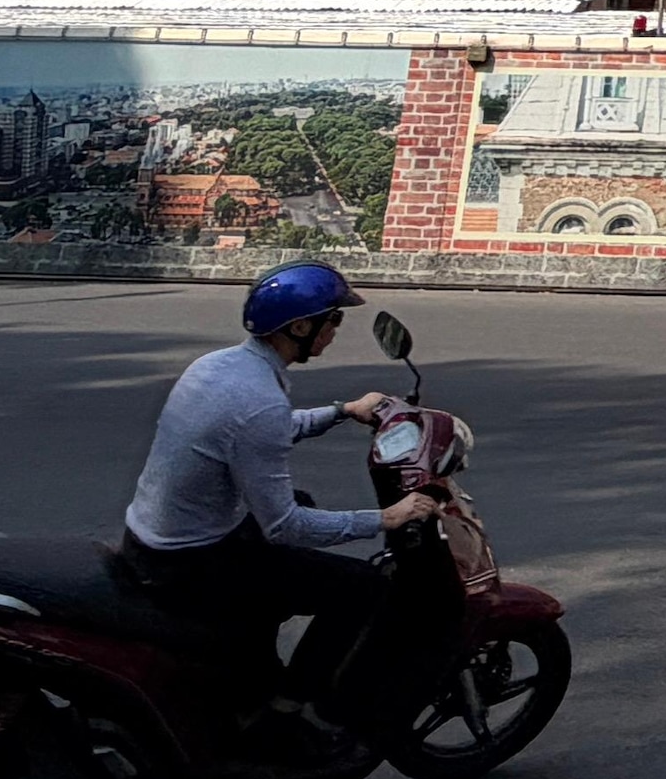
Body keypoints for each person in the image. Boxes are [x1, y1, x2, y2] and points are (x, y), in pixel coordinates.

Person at [120, 258, 445, 742]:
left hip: (155, 538)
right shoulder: (258, 402)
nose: (335, 331)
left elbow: (257, 432)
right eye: (333, 320)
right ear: (299, 327)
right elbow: (285, 526)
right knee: (363, 588)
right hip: (189, 564)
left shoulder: (220, 367)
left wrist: (342, 411)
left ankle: (250, 658)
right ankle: (285, 709)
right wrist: (386, 517)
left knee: (300, 500)